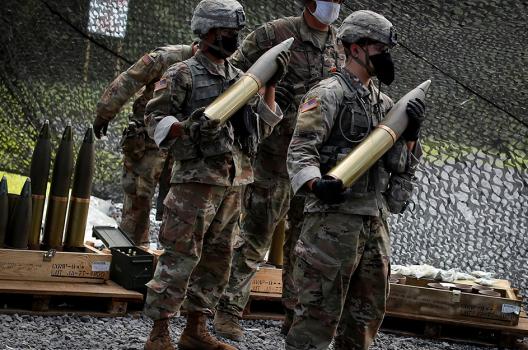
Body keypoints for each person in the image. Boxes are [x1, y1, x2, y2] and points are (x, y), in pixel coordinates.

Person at [141, 0, 287, 349]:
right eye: (228, 33)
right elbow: (154, 120)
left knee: (218, 261)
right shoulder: (182, 74)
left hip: (232, 185)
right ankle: (159, 333)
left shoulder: (240, 80)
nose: (233, 39)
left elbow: (259, 132)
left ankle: (195, 329)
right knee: (179, 257)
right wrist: (188, 126)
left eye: (236, 33)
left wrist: (269, 86)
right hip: (194, 184)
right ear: (207, 32)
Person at [285, 10, 426, 349]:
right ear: (356, 48)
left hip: (373, 223)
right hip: (331, 224)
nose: (386, 56)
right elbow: (301, 151)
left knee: (365, 317)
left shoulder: (386, 105)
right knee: (316, 316)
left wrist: (411, 138)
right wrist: (316, 185)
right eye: (380, 47)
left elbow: (399, 166)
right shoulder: (328, 94)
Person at [214, 0, 345, 340]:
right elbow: (233, 79)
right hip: (272, 157)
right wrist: (266, 90)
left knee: (303, 244)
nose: (335, 5)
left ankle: (293, 315)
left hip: (311, 164)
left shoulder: (340, 45)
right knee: (255, 237)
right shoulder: (274, 35)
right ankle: (228, 310)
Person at [94, 42, 197, 246]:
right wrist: (105, 112)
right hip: (148, 141)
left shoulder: (217, 66)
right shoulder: (166, 58)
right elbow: (130, 79)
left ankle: (168, 261)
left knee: (177, 208)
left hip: (183, 145)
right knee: (138, 200)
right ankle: (132, 254)